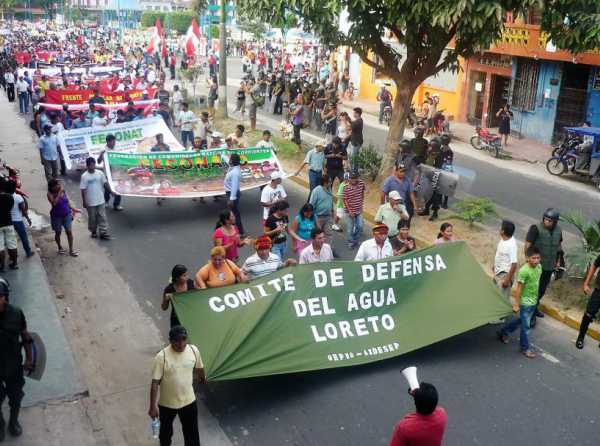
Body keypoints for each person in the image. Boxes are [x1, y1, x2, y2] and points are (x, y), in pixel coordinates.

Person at [149, 325, 204, 446]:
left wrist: (203, 378)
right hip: (167, 405)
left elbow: (200, 367)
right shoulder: (161, 357)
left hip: (189, 402)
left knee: (192, 435)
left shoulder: (193, 350)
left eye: (184, 339)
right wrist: (152, 407)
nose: (181, 343)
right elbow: (155, 383)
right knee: (165, 434)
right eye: (177, 340)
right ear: (170, 341)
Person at [0, 278, 34, 441]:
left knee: (16, 396)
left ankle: (13, 421)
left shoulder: (16, 313)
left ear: (5, 296)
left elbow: (25, 336)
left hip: (13, 365)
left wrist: (29, 358)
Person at [497, 246, 542, 358]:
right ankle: (525, 348)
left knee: (521, 320)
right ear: (527, 258)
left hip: (533, 301)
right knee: (526, 327)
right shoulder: (523, 271)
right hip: (525, 302)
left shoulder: (539, 267)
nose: (536, 260)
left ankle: (504, 331)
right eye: (533, 258)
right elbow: (519, 289)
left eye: (538, 258)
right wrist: (516, 304)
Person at [524, 208, 563, 324]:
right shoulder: (535, 228)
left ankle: (534, 307)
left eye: (550, 220)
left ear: (555, 222)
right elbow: (528, 245)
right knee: (534, 290)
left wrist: (559, 260)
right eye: (545, 219)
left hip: (549, 266)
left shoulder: (559, 230)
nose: (547, 222)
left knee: (542, 290)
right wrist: (528, 260)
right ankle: (530, 315)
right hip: (537, 266)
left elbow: (559, 246)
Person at [80, 157, 110, 240]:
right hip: (90, 201)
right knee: (92, 218)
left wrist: (111, 191)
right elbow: (83, 190)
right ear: (87, 166)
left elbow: (105, 183)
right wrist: (84, 202)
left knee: (102, 216)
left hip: (100, 199)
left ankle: (103, 232)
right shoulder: (84, 176)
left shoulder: (100, 173)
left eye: (94, 165)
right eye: (91, 165)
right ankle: (93, 231)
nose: (93, 167)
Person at [47, 179, 78, 256]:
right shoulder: (49, 194)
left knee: (69, 231)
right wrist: (59, 193)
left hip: (66, 214)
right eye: (57, 184)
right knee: (58, 232)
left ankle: (71, 250)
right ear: (52, 187)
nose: (59, 185)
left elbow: (66, 201)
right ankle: (60, 247)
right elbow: (54, 203)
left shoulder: (62, 191)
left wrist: (72, 208)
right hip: (56, 216)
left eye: (59, 184)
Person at [575, 253, 600, 349]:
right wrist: (586, 283)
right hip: (598, 291)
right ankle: (580, 337)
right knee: (588, 314)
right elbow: (594, 266)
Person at [493, 220, 518, 302]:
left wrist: (507, 279)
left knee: (502, 300)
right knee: (495, 296)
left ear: (503, 231)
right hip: (498, 272)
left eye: (500, 227)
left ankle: (503, 315)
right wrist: (495, 265)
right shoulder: (503, 239)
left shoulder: (511, 245)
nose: (499, 228)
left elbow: (514, 264)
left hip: (504, 275)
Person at [7, 181, 33, 258]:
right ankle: (28, 252)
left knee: (10, 239)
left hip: (8, 221)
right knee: (23, 237)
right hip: (18, 221)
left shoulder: (5, 197)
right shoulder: (18, 197)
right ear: (15, 188)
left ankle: (12, 255)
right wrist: (28, 219)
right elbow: (23, 210)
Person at [98, 134, 123, 211]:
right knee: (108, 188)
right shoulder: (103, 150)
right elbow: (98, 162)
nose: (114, 143)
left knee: (118, 188)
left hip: (117, 172)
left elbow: (121, 158)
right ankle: (106, 201)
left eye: (114, 141)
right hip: (108, 173)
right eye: (112, 141)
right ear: (108, 142)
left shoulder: (117, 148)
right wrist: (101, 155)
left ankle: (117, 204)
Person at [224, 153, 245, 236]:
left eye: (230, 158)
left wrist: (231, 199)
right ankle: (236, 231)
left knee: (234, 214)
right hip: (232, 193)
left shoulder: (235, 172)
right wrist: (222, 155)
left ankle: (240, 232)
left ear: (232, 161)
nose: (228, 160)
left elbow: (234, 186)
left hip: (232, 194)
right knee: (233, 213)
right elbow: (227, 161)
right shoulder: (234, 167)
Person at [343, 171, 366, 249]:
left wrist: (361, 202)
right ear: (349, 179)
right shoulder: (346, 187)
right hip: (350, 211)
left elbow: (362, 192)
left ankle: (355, 240)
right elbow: (345, 200)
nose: (353, 180)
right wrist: (350, 211)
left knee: (360, 226)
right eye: (351, 178)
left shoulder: (361, 183)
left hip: (359, 210)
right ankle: (350, 241)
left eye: (355, 178)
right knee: (350, 229)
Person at [0, 183, 17, 271]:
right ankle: (14, 264)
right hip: (9, 223)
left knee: (0, 247)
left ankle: (2, 266)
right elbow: (10, 208)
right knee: (12, 245)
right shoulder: (9, 197)